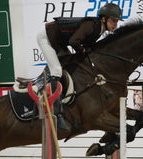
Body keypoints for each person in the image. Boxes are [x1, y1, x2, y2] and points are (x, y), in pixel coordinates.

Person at [36, 3, 123, 133]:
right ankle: (55, 112)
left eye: (117, 21)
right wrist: (82, 51)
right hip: (47, 37)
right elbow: (74, 41)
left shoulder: (100, 29)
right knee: (57, 71)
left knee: (70, 67)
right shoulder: (92, 25)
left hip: (58, 40)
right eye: (113, 21)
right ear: (104, 19)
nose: (115, 24)